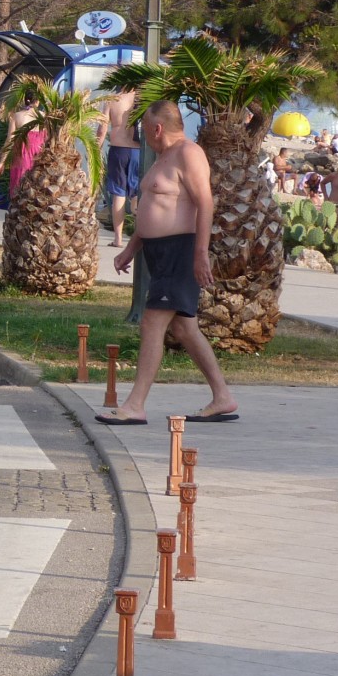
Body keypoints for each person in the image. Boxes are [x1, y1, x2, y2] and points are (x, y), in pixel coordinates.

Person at [99, 100, 237, 426]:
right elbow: (153, 207)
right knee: (184, 328)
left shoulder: (189, 153)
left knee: (152, 323)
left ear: (157, 128)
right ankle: (222, 397)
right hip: (158, 252)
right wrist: (131, 248)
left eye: (144, 129)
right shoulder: (163, 157)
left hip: (180, 251)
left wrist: (200, 253)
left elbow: (205, 203)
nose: (143, 135)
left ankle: (134, 405)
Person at [99, 89, 140, 247]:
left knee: (119, 194)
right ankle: (138, 236)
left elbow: (102, 129)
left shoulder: (112, 99)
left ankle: (118, 239)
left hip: (119, 150)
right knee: (136, 194)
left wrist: (96, 148)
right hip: (137, 151)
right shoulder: (141, 98)